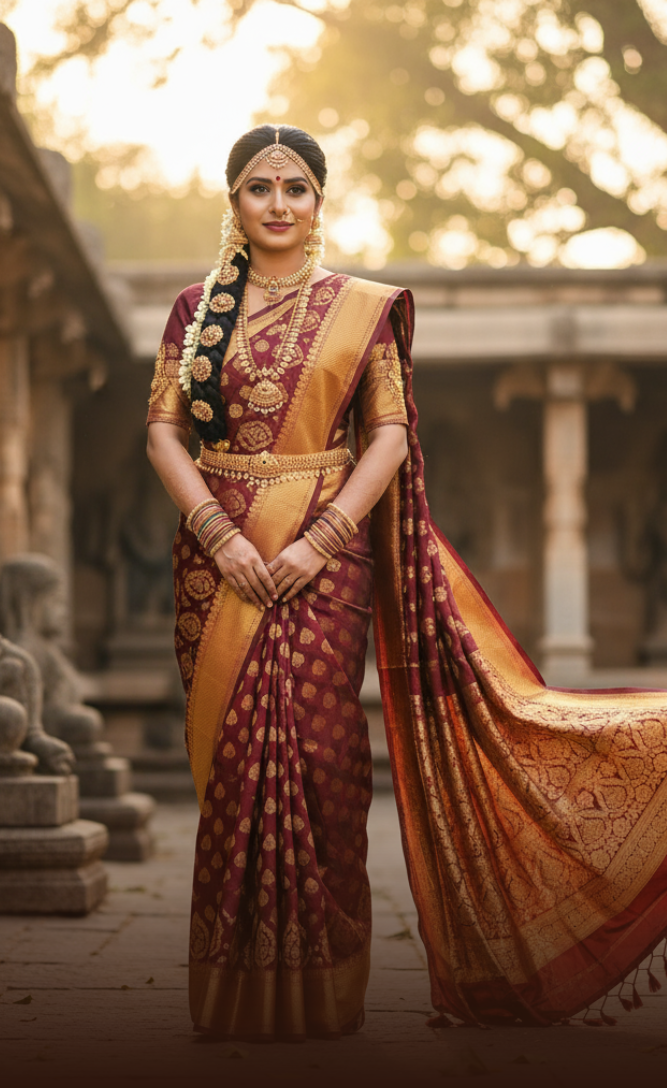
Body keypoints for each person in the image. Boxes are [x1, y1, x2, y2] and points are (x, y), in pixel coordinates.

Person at [147, 123, 667, 1040]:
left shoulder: (361, 307)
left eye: (296, 187)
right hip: (216, 557)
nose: (278, 203)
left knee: (318, 755)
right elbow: (163, 431)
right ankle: (237, 992)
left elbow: (388, 431)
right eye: (260, 187)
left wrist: (322, 538)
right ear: (232, 202)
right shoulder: (197, 310)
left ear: (319, 202)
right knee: (233, 764)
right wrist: (217, 533)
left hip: (325, 551)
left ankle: (324, 992)